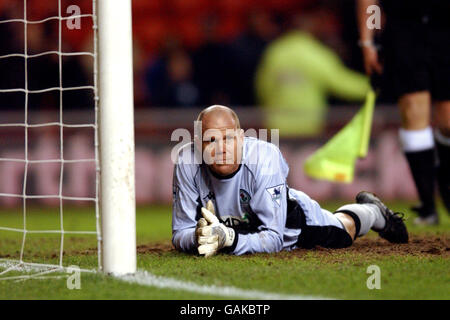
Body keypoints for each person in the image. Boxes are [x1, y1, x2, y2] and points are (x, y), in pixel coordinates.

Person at [172, 105, 408, 257]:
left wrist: (227, 238)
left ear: (241, 139)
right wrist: (197, 237)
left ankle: (371, 211)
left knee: (345, 232)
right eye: (210, 140)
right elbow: (180, 232)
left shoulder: (264, 158)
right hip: (236, 226)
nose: (221, 148)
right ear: (197, 143)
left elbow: (274, 238)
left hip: (290, 225)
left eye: (228, 138)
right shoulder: (187, 161)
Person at [357, 0, 450, 225]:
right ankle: (428, 206)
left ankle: (446, 186)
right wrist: (368, 41)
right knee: (413, 109)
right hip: (404, 31)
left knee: (447, 121)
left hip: (444, 26)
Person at [255, 9, 370, 137]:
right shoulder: (314, 53)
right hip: (307, 129)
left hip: (277, 129)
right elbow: (343, 84)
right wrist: (375, 86)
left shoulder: (275, 51)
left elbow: (262, 87)